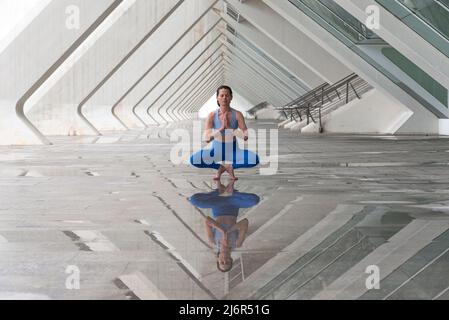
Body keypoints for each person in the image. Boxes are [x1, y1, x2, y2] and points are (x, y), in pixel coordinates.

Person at [189, 85, 260, 180]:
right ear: (217, 98)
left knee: (254, 159)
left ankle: (230, 167)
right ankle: (220, 167)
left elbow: (245, 136)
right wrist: (221, 129)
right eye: (221, 95)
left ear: (231, 97)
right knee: (194, 159)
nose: (224, 98)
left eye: (227, 95)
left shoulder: (237, 114)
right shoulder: (211, 115)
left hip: (234, 151)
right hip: (216, 152)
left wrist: (230, 128)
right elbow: (206, 139)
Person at [189, 180, 260, 272]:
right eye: (227, 262)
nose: (225, 261)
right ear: (231, 260)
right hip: (233, 204)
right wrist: (229, 231)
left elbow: (207, 220)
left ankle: (218, 191)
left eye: (222, 262)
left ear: (218, 260)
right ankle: (231, 192)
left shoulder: (213, 241)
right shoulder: (237, 243)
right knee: (255, 200)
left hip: (217, 204)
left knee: (194, 200)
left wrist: (222, 231)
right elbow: (244, 222)